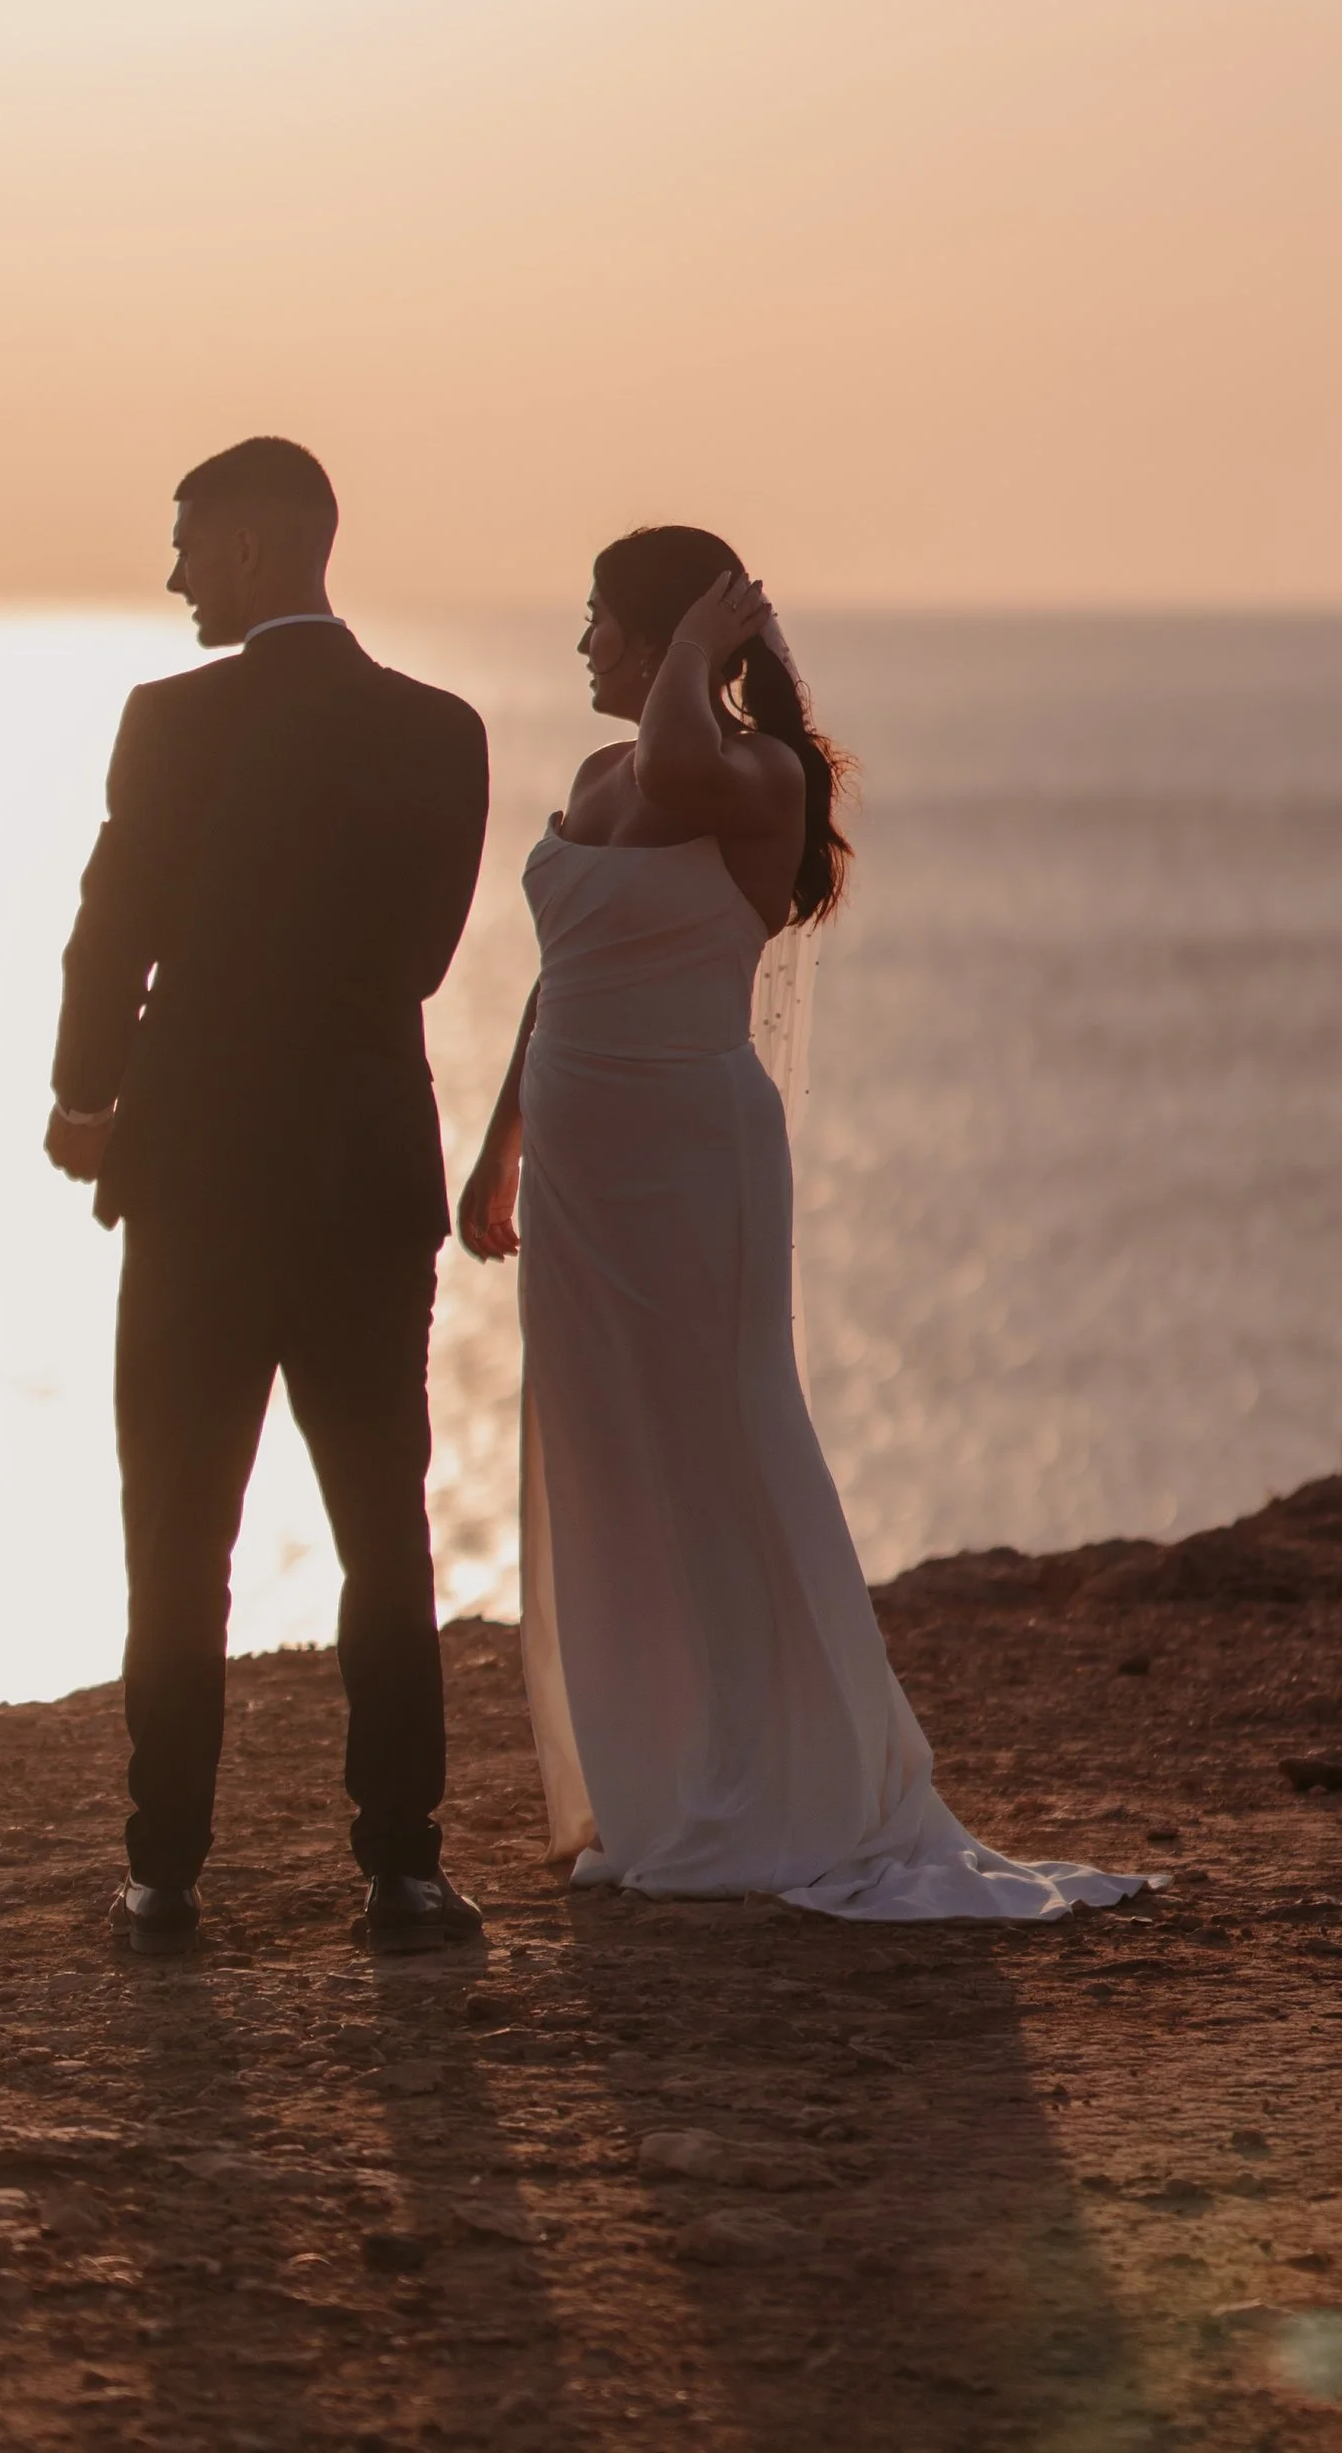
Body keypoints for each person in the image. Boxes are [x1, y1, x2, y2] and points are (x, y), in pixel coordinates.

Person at [459, 525, 1151, 1921]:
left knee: (719, 1441)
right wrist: (497, 1150)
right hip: (586, 1171)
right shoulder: (601, 771)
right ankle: (653, 1775)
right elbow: (559, 974)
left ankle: (769, 1780)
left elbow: (676, 766)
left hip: (691, 1159)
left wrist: (711, 654)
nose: (581, 642)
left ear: (670, 643)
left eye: (603, 620)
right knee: (606, 1447)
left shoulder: (747, 776)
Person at [48, 438, 491, 1957]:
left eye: (185, 546)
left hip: (196, 1183)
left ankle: (165, 1874)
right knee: (384, 1529)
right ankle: (403, 1871)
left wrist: (86, 1095)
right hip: (366, 1177)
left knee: (177, 1535)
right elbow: (427, 960)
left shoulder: (168, 725)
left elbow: (111, 931)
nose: (173, 576)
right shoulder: (443, 733)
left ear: (247, 548)